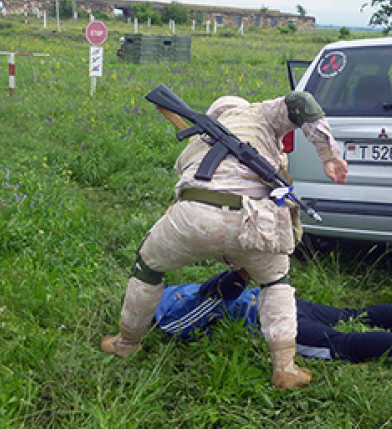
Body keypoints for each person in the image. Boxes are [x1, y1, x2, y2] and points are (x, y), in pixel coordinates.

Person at [100, 92, 349, 390]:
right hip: (256, 219)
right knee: (276, 284)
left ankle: (126, 344)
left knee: (148, 269)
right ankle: (285, 368)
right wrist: (329, 156)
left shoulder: (198, 141)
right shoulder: (263, 114)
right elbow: (303, 103)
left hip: (194, 215)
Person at [154, 269, 392, 385]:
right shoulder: (172, 290)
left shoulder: (165, 315)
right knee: (350, 314)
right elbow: (211, 297)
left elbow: (202, 310)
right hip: (277, 299)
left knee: (343, 345)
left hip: (271, 321)